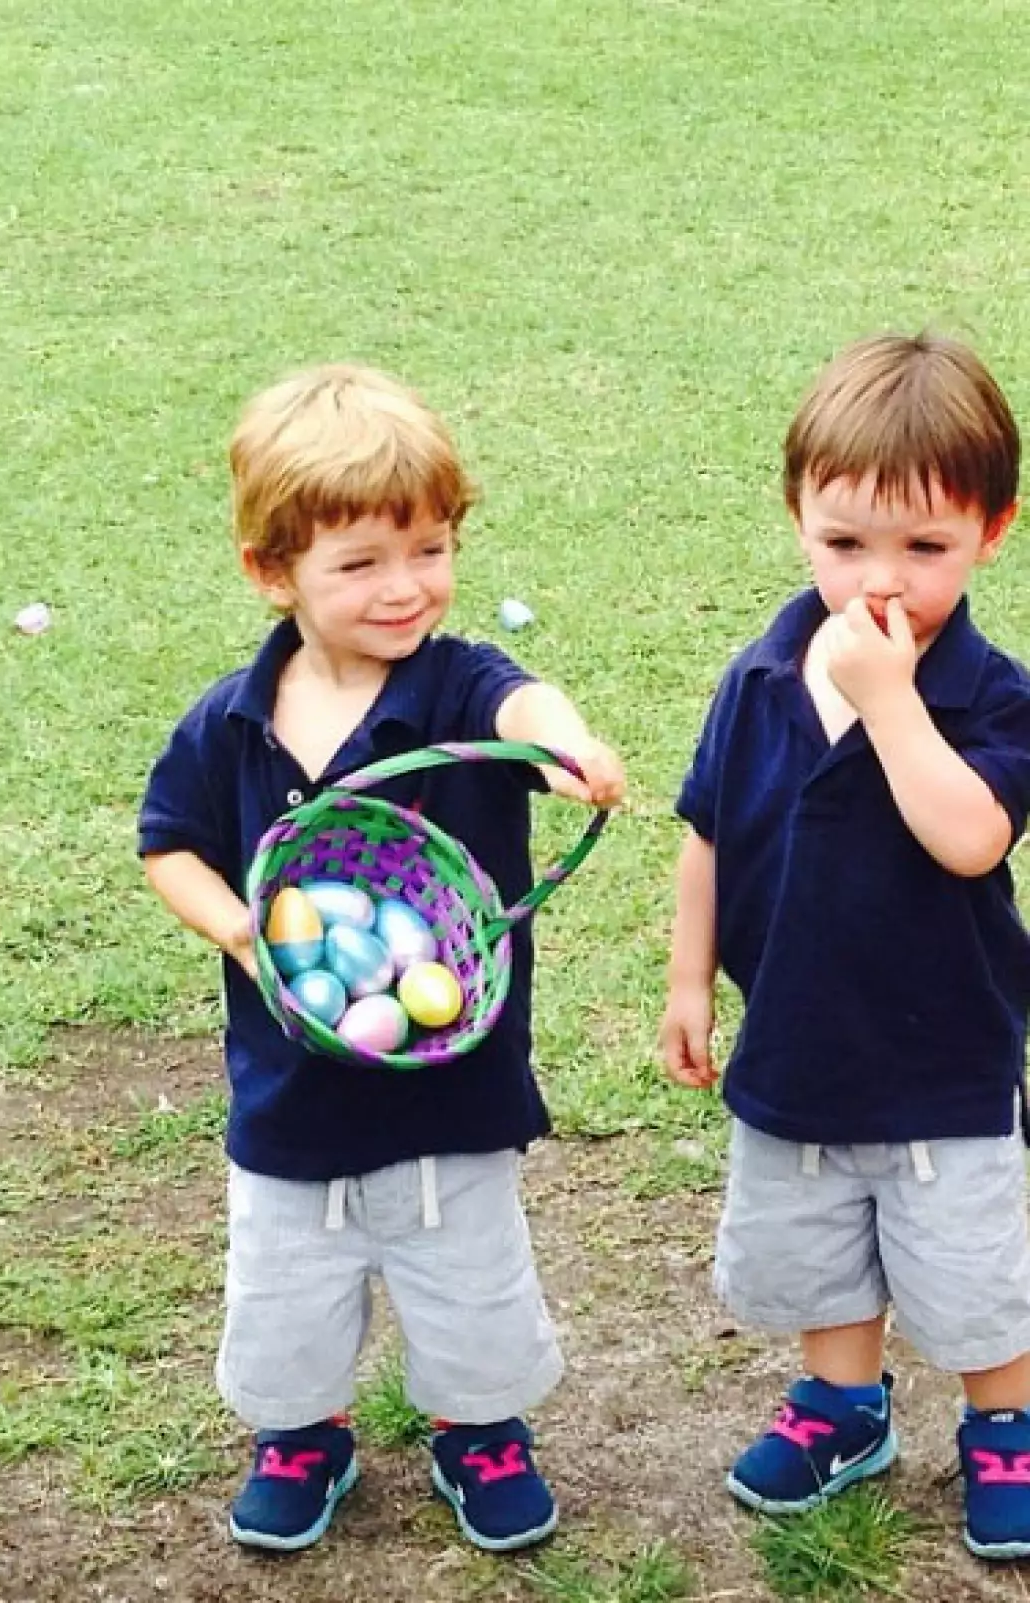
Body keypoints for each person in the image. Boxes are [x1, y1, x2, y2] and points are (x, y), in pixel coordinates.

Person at [138, 363, 624, 1554]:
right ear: (273, 572)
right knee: (288, 1282)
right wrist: (241, 931)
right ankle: (304, 1429)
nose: (405, 588)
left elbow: (523, 703)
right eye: (358, 564)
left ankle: (479, 1421)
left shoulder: (458, 684)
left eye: (430, 550)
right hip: (293, 1086)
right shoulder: (232, 719)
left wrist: (568, 743)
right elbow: (168, 847)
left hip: (451, 1083)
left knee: (468, 1269)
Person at [659, 331, 1030, 1559]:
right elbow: (707, 829)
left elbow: (970, 836)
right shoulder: (758, 675)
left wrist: (889, 699)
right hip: (796, 1037)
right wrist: (686, 982)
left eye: (925, 548)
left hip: (944, 1055)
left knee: (970, 1262)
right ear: (798, 519)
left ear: (993, 529)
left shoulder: (990, 696)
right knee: (814, 1245)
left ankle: (1002, 1422)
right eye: (845, 543)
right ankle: (840, 1405)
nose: (883, 578)